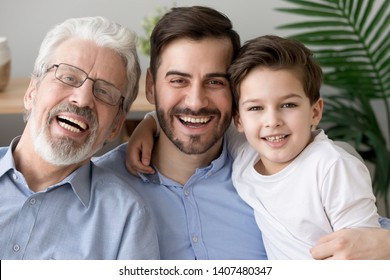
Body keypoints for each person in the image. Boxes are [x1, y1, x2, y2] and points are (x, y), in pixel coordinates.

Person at [95, 6, 390, 259]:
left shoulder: (261, 158)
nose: (196, 102)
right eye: (178, 81)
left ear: (234, 100)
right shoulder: (104, 186)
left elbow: (362, 240)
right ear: (151, 87)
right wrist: (152, 121)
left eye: (215, 82)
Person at [0, 16, 159, 259]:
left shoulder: (126, 217)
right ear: (32, 92)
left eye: (104, 92)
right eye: (69, 77)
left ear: (116, 124)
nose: (83, 99)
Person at [226, 35, 380, 259]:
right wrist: (153, 124)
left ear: (315, 112)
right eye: (256, 108)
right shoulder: (245, 153)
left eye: (288, 105)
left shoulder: (333, 167)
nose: (272, 121)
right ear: (238, 120)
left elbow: (365, 252)